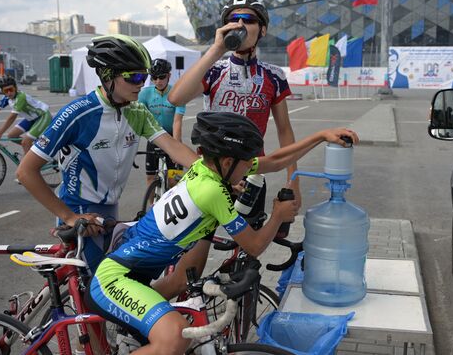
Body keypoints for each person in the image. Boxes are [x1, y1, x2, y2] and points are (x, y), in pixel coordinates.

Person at [85, 111, 359, 354]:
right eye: (247, 161)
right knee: (174, 339)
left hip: (134, 276)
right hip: (114, 279)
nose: (251, 166)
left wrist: (321, 136)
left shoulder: (206, 169)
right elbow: (254, 246)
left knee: (175, 331)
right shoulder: (212, 190)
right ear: (228, 162)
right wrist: (277, 216)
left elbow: (274, 161)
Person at [16, 34, 198, 273]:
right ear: (108, 76)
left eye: (144, 76)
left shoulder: (137, 112)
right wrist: (69, 217)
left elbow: (173, 146)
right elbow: (26, 172)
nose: (141, 83)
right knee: (99, 294)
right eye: (134, 76)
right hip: (80, 211)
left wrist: (216, 174)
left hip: (110, 209)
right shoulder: (78, 113)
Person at [168, 0, 301, 231]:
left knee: (246, 259)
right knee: (194, 253)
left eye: (248, 19)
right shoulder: (214, 70)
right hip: (210, 174)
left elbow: (285, 131)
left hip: (252, 174)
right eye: (232, 19)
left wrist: (294, 182)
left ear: (262, 30)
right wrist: (216, 49)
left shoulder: (274, 76)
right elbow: (176, 97)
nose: (239, 25)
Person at [138, 58, 186, 198]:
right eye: (154, 77)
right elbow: (138, 118)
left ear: (169, 76)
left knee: (174, 181)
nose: (158, 81)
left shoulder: (177, 93)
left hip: (172, 137)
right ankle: (152, 208)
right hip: (154, 137)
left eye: (162, 77)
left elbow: (177, 122)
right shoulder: (145, 94)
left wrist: (176, 150)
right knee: (150, 177)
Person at [0, 76, 51, 154]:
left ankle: (32, 163)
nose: (9, 93)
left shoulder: (21, 97)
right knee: (12, 136)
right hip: (31, 119)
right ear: (2, 91)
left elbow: (12, 117)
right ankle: (37, 151)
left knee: (25, 142)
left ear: (16, 88)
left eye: (11, 89)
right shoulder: (6, 97)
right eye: (6, 91)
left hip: (43, 116)